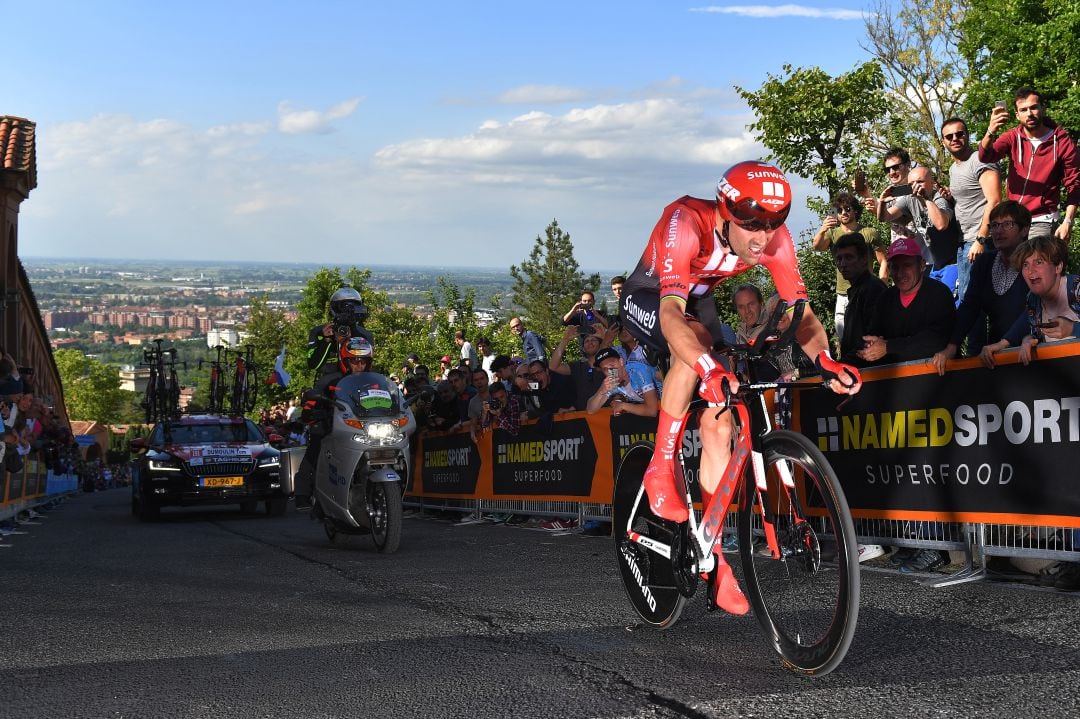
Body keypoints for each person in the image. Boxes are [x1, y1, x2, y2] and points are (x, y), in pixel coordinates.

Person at [620, 161, 861, 615]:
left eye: (772, 225)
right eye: (751, 225)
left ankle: (711, 556)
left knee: (721, 420)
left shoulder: (775, 240)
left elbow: (802, 316)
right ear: (725, 213)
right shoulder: (685, 221)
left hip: (699, 295)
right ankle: (659, 467)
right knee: (695, 351)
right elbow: (672, 316)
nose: (762, 238)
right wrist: (704, 362)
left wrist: (825, 360)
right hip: (652, 296)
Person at [932, 201, 1030, 374]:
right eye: (994, 225)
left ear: (1024, 229)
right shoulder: (985, 262)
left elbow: (1036, 308)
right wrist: (952, 346)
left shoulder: (1036, 261)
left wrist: (1008, 342)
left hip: (1033, 350)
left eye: (1007, 224)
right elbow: (970, 306)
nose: (999, 231)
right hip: (995, 355)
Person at [979, 86, 1079, 241]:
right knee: (1011, 263)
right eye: (1024, 110)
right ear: (1017, 115)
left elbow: (1074, 185)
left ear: (1042, 108)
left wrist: (1068, 221)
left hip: (1043, 218)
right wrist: (990, 131)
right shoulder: (1012, 137)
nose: (1029, 114)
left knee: (1031, 261)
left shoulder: (1062, 142)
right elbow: (986, 157)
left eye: (1033, 108)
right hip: (1013, 219)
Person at [294, 336, 374, 510]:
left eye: (364, 361)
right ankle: (302, 492)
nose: (360, 365)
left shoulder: (373, 381)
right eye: (355, 361)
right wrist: (311, 413)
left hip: (362, 426)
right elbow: (311, 401)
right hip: (331, 423)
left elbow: (388, 397)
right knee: (317, 445)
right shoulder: (330, 379)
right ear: (345, 361)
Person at [981, 235, 1079, 367]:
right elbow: (1029, 327)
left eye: (1039, 262)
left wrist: (1074, 329)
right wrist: (1028, 340)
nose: (1030, 270)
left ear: (1058, 267)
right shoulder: (1033, 300)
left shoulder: (1076, 287)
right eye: (1025, 264)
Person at [858, 238, 957, 366]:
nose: (900, 274)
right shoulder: (886, 298)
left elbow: (937, 341)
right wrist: (869, 345)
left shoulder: (940, 294)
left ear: (922, 265)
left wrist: (888, 347)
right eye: (895, 267)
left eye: (907, 265)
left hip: (933, 376)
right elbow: (872, 334)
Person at [941, 116, 1001, 305]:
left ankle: (985, 337)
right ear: (943, 141)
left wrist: (981, 240)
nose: (954, 139)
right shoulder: (953, 168)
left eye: (959, 134)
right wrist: (950, 198)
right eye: (949, 136)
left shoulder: (980, 160)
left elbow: (995, 200)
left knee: (974, 302)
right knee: (968, 299)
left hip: (981, 241)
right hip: (964, 242)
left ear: (967, 135)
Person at [812, 192, 886, 342]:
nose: (843, 213)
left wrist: (882, 282)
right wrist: (823, 229)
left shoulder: (869, 232)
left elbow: (883, 260)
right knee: (844, 337)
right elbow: (818, 247)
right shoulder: (833, 233)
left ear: (855, 210)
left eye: (847, 208)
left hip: (866, 290)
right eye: (839, 210)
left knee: (868, 334)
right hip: (842, 294)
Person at [877, 166, 961, 291]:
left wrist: (926, 199)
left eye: (920, 182)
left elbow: (941, 224)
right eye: (911, 184)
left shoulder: (939, 198)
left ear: (931, 182)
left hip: (953, 263)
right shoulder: (909, 199)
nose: (915, 186)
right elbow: (885, 217)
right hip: (936, 265)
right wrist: (882, 202)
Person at [832, 233, 888, 367]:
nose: (843, 264)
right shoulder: (858, 289)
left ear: (864, 260)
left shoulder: (872, 289)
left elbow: (872, 340)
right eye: (839, 259)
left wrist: (841, 367)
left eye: (849, 257)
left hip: (872, 372)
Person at [306, 287, 374, 379]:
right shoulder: (319, 332)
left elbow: (367, 368)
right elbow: (313, 364)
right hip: (326, 387)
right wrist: (327, 341)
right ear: (334, 309)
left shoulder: (365, 335)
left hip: (355, 384)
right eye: (343, 308)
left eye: (352, 309)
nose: (347, 314)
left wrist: (350, 341)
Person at [585, 346, 657, 418]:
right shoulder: (611, 382)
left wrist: (622, 405)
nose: (611, 370)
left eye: (612, 365)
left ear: (621, 362)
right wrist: (601, 391)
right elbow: (590, 410)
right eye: (605, 369)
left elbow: (652, 411)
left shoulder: (637, 371)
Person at [549, 325, 605, 410]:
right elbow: (553, 366)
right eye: (586, 341)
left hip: (606, 413)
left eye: (593, 340)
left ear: (600, 344)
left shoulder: (609, 364)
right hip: (583, 415)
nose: (590, 342)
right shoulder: (577, 366)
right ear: (583, 348)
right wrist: (565, 339)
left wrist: (605, 338)